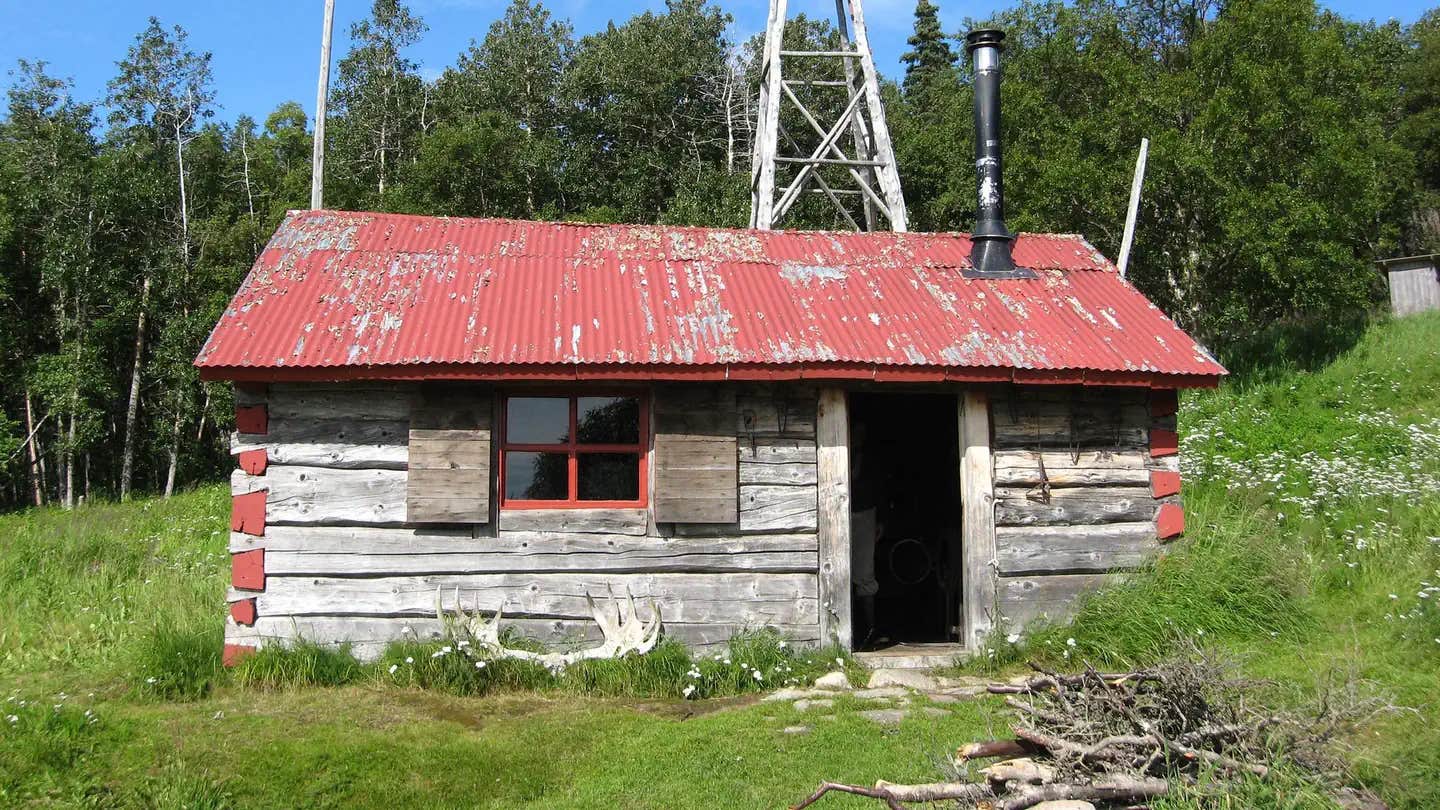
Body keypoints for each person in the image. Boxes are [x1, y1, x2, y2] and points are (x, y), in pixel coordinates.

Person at [850, 422, 881, 647]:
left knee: (864, 572)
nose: (858, 437)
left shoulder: (870, 459)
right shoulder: (845, 453)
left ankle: (870, 630)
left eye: (861, 433)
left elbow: (879, 487)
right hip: (838, 511)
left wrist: (882, 520)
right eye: (855, 432)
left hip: (865, 513)